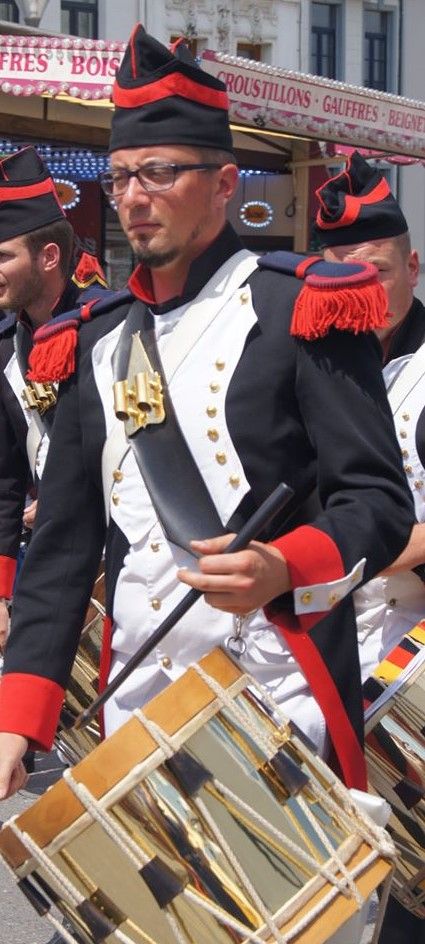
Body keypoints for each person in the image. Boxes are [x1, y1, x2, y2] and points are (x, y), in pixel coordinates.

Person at [0, 26, 414, 806]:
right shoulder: (91, 340)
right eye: (121, 177)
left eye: (159, 172)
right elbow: (63, 545)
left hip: (276, 693)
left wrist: (282, 565)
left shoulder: (300, 310)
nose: (133, 197)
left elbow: (378, 501)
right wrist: (15, 721)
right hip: (136, 701)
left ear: (224, 184)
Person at [313, 151, 425, 943]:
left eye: (377, 272)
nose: (360, 290)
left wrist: (349, 553)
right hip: (319, 641)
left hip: (410, 643)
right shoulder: (308, 361)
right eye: (342, 273)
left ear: (411, 269)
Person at [0, 146, 108, 657]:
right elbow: (5, 479)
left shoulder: (110, 331)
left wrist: (70, 497)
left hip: (117, 556)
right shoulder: (6, 346)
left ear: (47, 257)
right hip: (51, 558)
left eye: (3, 256)